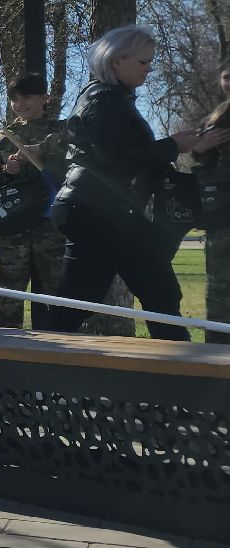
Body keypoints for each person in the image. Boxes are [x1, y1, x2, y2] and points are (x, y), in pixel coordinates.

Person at [42, 25, 229, 338]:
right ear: (116, 60)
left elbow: (130, 159)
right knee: (85, 297)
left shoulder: (112, 99)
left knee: (157, 289)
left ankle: (176, 361)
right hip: (94, 210)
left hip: (109, 211)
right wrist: (174, 145)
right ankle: (38, 362)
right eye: (143, 62)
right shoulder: (103, 100)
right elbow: (118, 159)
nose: (149, 69)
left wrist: (186, 148)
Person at [0, 73, 67, 327]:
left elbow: (76, 160)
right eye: (14, 99)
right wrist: (5, 170)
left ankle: (62, 344)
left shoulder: (61, 131)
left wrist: (43, 150)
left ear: (45, 98)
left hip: (52, 228)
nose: (19, 104)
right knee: (8, 296)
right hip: (14, 227)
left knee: (59, 296)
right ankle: (7, 346)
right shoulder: (4, 137)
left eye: (26, 97)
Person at [199, 64, 230, 343]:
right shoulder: (215, 118)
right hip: (220, 215)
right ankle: (217, 351)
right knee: (219, 289)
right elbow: (201, 159)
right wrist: (201, 148)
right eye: (227, 76)